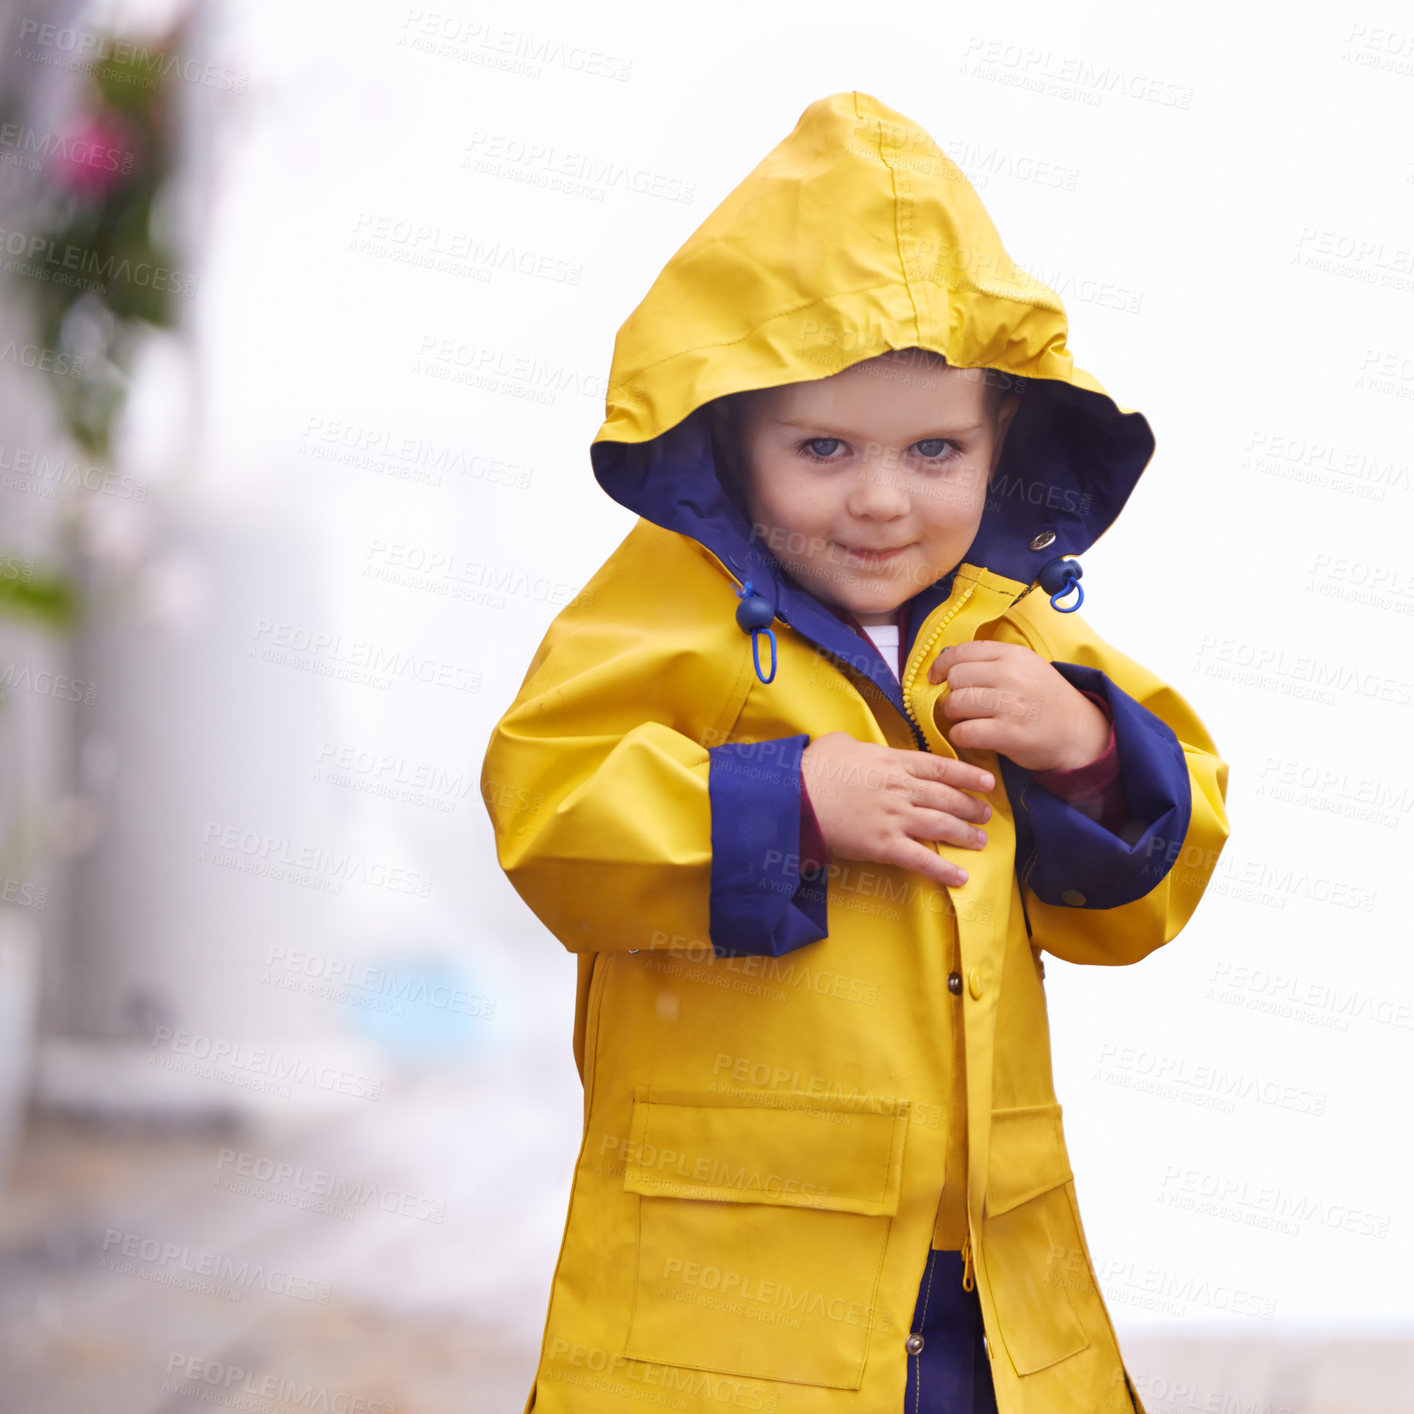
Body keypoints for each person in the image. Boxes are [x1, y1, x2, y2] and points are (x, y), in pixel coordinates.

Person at [480, 90, 1230, 1414]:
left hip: (982, 1248)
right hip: (735, 1259)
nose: (882, 498)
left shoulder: (1012, 628)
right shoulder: (667, 608)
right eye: (822, 448)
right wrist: (783, 799)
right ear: (732, 438)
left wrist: (1087, 752)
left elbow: (1166, 858)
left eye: (933, 449)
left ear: (1000, 443)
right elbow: (548, 808)